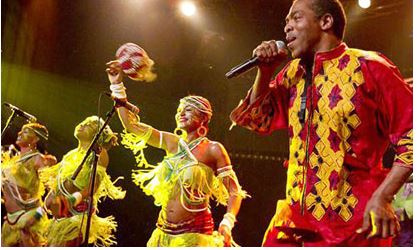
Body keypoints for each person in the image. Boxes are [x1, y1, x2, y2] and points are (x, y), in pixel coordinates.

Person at [229, 0, 412, 246]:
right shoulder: (292, 73)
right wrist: (266, 70)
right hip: (293, 224)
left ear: (326, 21)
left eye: (296, 18)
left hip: (352, 227)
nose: (287, 28)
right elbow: (258, 120)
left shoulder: (370, 68)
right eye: (286, 22)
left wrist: (383, 196)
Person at [106, 60, 248, 247]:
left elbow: (234, 191)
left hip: (194, 236)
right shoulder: (172, 142)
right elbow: (131, 126)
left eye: (188, 110)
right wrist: (117, 85)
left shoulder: (213, 149)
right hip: (162, 232)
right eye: (179, 110)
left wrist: (227, 221)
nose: (181, 113)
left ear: (203, 117)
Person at [40, 116, 126, 246]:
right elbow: (59, 183)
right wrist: (47, 201)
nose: (82, 125)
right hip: (60, 215)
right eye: (83, 122)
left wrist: (73, 199)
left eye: (88, 125)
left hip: (77, 218)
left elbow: (93, 187)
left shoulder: (99, 154)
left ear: (96, 134)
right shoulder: (71, 155)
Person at [1, 123, 57, 246]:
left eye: (25, 132)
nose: (19, 134)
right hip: (10, 220)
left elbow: (54, 191)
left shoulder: (37, 159)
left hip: (28, 221)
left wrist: (36, 216)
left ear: (36, 139)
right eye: (21, 131)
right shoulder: (14, 160)